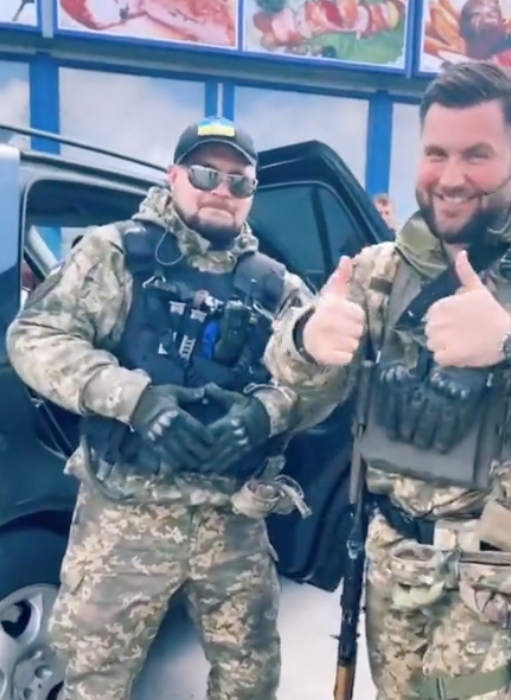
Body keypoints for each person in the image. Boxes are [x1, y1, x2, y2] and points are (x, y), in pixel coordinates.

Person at [262, 62, 511, 700]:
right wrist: (306, 341)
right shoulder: (380, 270)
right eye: (436, 153)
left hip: (494, 568)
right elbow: (296, 398)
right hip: (394, 560)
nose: (450, 177)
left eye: (477, 155)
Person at [7, 116, 323, 700]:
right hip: (124, 518)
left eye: (239, 182)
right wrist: (134, 398)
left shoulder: (277, 286)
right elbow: (35, 337)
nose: (221, 190)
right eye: (205, 174)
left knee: (250, 681)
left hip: (232, 521)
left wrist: (266, 413)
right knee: (92, 680)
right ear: (174, 175)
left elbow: (323, 377)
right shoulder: (114, 254)